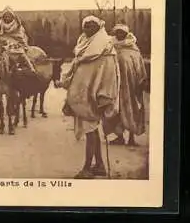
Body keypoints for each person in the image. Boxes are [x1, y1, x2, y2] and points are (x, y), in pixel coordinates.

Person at [56, 15, 120, 179]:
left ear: (99, 27)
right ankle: (99, 165)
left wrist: (104, 96)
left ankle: (87, 169)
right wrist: (65, 82)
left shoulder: (106, 49)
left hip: (92, 99)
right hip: (81, 98)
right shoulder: (83, 45)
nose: (88, 28)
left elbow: (110, 76)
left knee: (90, 131)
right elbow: (77, 68)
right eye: (86, 25)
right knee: (91, 131)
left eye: (92, 26)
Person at [107, 23, 148, 146]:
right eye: (117, 32)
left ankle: (131, 138)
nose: (119, 34)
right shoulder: (111, 47)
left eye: (122, 32)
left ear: (126, 34)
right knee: (116, 111)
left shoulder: (133, 48)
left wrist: (141, 81)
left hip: (132, 86)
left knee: (133, 109)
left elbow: (139, 66)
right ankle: (119, 137)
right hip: (116, 86)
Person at [0, 6, 37, 73]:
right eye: (6, 16)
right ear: (3, 17)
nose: (7, 18)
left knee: (21, 54)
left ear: (12, 17)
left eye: (9, 16)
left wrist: (23, 45)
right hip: (4, 44)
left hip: (16, 45)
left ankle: (30, 67)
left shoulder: (17, 26)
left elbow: (21, 36)